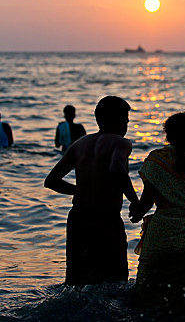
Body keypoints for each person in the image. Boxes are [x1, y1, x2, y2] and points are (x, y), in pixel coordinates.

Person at [44, 96, 139, 287]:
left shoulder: (79, 144)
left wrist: (79, 190)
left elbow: (52, 181)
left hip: (78, 219)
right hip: (106, 219)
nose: (127, 124)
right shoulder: (121, 142)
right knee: (116, 280)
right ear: (120, 120)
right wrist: (135, 202)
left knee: (76, 282)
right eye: (126, 120)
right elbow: (116, 168)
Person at [129, 112, 185, 313]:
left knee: (146, 300)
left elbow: (147, 202)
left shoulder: (157, 160)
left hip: (164, 234)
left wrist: (136, 211)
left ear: (167, 135)